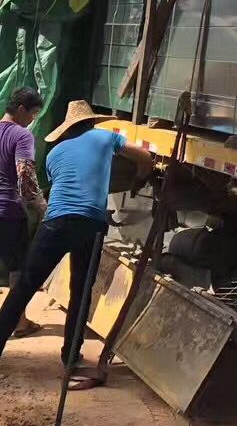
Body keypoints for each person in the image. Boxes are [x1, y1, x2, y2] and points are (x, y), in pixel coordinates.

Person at [0, 100, 153, 372]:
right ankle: (70, 357)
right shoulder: (107, 137)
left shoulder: (54, 153)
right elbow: (143, 156)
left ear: (67, 128)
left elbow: (62, 182)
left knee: (24, 286)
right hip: (89, 224)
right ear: (92, 122)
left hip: (55, 223)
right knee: (80, 292)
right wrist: (140, 178)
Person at [0, 87, 45, 339]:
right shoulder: (22, 135)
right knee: (19, 268)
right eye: (33, 114)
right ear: (20, 110)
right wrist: (38, 204)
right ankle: (19, 321)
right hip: (8, 213)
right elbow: (25, 173)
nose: (33, 120)